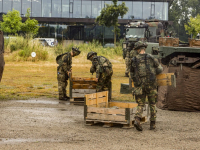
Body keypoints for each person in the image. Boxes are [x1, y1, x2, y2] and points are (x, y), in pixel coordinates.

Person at [130, 41, 163, 131]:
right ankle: (152, 124)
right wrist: (152, 73)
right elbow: (160, 69)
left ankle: (137, 119)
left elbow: (131, 74)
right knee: (152, 104)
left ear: (138, 49)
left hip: (139, 86)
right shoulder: (151, 57)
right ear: (144, 49)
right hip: (151, 85)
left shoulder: (133, 59)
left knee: (140, 104)